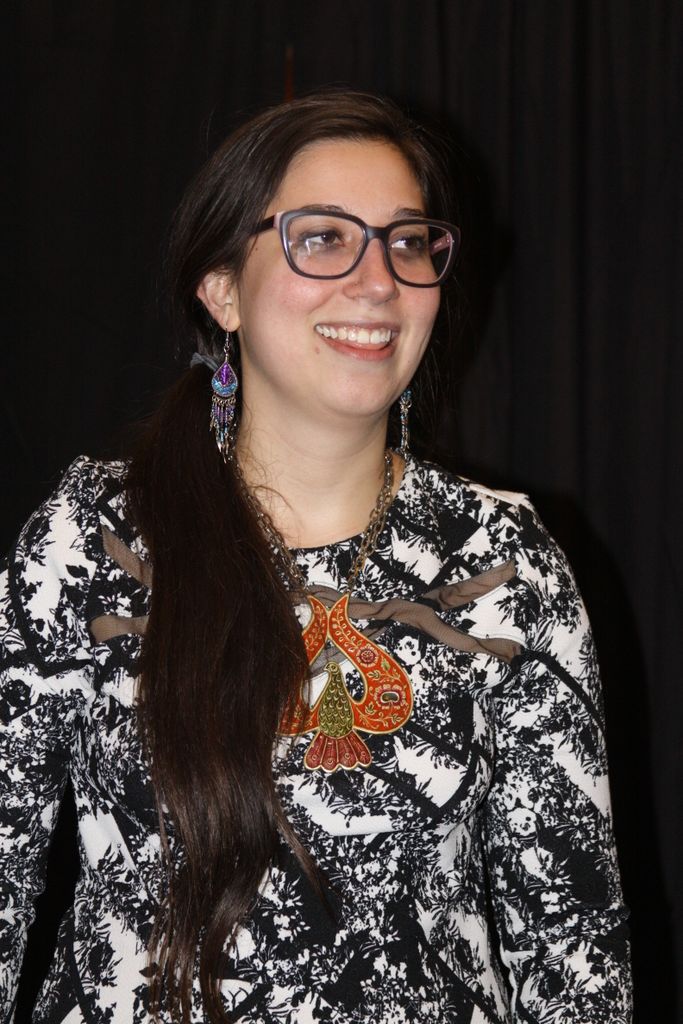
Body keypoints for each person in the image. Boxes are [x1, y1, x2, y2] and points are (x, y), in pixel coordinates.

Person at [0, 90, 631, 1024]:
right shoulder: (94, 536)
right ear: (222, 289)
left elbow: (574, 951)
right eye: (324, 238)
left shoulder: (505, 564)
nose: (377, 281)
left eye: (407, 242)